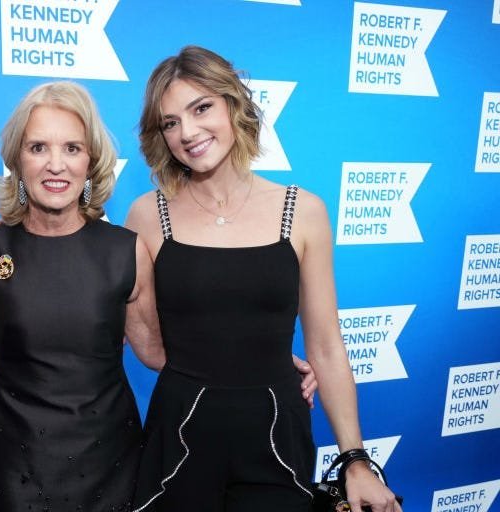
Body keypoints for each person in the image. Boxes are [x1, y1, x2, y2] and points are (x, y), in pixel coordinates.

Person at [125, 46, 400, 511]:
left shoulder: (304, 211)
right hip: (179, 436)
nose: (187, 132)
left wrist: (355, 460)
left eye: (201, 108)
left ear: (233, 105)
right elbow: (149, 346)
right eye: (170, 122)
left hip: (277, 439)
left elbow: (326, 346)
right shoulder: (146, 215)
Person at [0, 81, 166, 512]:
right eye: (38, 148)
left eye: (72, 148)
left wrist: (255, 359)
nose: (56, 165)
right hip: (16, 469)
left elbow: (157, 353)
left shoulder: (125, 252)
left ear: (91, 161)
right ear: (17, 159)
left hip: (112, 465)